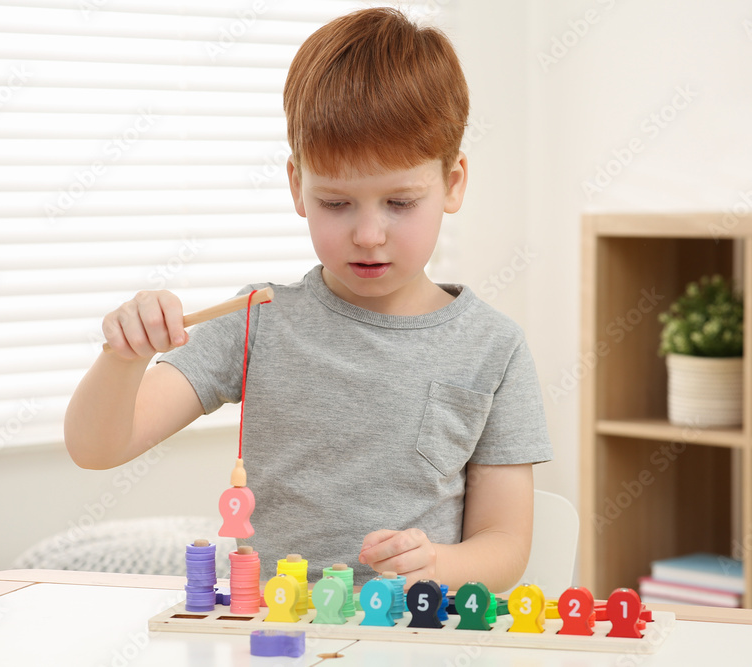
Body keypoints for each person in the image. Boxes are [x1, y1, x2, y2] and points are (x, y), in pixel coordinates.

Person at [65, 7, 552, 592]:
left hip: (408, 637)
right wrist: (124, 357)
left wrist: (439, 565)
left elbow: (505, 543)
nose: (368, 234)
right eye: (336, 203)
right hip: (276, 634)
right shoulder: (257, 319)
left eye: (399, 203)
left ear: (452, 185)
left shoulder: (493, 349)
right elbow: (97, 448)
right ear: (298, 187)